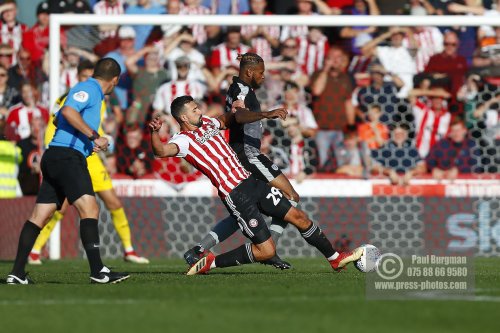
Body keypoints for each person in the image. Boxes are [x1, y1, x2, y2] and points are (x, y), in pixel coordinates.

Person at [149, 95, 362, 275]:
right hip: (236, 194)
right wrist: (154, 133)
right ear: (184, 117)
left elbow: (225, 119)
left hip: (252, 182)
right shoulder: (183, 140)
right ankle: (210, 263)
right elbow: (161, 152)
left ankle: (334, 258)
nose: (200, 109)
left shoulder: (206, 122)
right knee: (267, 251)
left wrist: (243, 112)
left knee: (299, 216)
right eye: (195, 109)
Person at [5, 58, 130, 284]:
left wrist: (85, 140)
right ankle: (98, 271)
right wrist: (93, 135)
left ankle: (17, 273)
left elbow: (58, 117)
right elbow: (69, 111)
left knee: (39, 216)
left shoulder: (88, 91)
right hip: (67, 157)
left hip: (57, 155)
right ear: (114, 80)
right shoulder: (88, 88)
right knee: (90, 208)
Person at [183, 53, 304, 270]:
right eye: (261, 72)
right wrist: (267, 114)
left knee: (243, 211)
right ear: (249, 72)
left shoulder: (240, 88)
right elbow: (238, 116)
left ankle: (199, 250)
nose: (264, 76)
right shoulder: (241, 90)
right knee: (291, 195)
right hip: (248, 155)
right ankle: (269, 252)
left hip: (245, 153)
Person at [28, 60, 149, 265]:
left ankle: (128, 250)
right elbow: (57, 122)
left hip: (91, 157)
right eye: (83, 77)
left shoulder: (101, 99)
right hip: (69, 154)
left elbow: (92, 126)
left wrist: (103, 146)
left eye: (89, 76)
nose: (87, 81)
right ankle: (36, 251)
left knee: (113, 202)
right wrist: (54, 148)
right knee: (61, 207)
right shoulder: (70, 97)